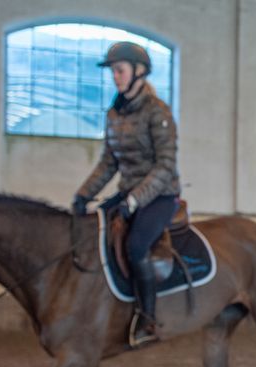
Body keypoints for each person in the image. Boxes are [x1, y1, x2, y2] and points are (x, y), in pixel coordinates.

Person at [72, 41, 180, 347]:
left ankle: (147, 319)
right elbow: (109, 163)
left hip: (160, 196)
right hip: (127, 193)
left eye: (119, 70)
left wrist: (134, 200)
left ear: (139, 71)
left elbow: (165, 165)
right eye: (113, 72)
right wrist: (83, 195)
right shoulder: (114, 113)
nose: (115, 77)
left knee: (135, 246)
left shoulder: (158, 112)